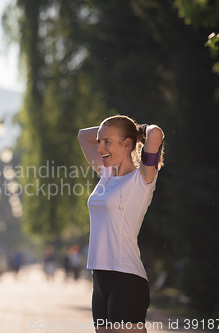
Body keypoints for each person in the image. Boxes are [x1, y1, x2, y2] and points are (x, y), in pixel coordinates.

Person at [78, 115, 164, 333]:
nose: (100, 148)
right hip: (100, 277)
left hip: (126, 279)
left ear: (127, 143)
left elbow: (155, 134)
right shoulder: (107, 175)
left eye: (107, 142)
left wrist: (134, 130)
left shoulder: (142, 179)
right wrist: (111, 131)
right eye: (100, 142)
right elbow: (82, 136)